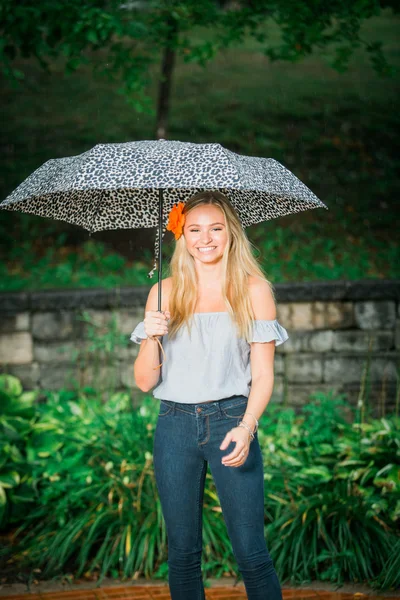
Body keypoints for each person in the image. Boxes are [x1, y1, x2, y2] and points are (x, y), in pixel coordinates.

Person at [131, 190, 289, 600]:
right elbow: (144, 382)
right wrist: (152, 335)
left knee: (251, 553)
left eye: (216, 228)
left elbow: (264, 374)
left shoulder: (254, 291)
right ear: (181, 236)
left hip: (230, 420)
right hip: (174, 426)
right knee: (182, 554)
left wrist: (247, 427)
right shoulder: (163, 294)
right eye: (195, 229)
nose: (206, 239)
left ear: (231, 233)